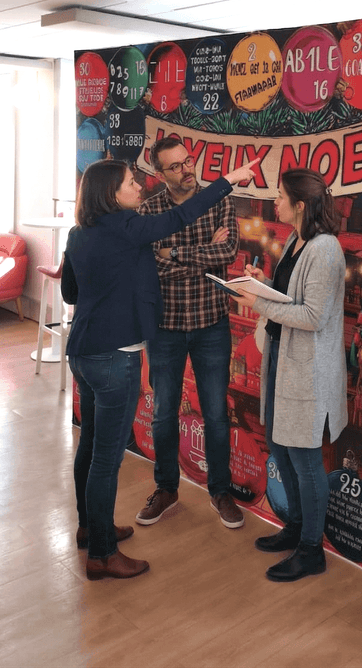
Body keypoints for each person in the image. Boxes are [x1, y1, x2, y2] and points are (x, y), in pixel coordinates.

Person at [62, 156, 256, 580]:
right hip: (115, 357)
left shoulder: (79, 233)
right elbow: (184, 214)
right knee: (105, 460)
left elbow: (71, 290)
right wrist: (229, 180)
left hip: (82, 352)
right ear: (111, 194)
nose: (139, 188)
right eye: (132, 182)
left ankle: (88, 528)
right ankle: (102, 552)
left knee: (91, 446)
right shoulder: (128, 228)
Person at [233, 168, 348, 582]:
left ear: (300, 205)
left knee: (303, 459)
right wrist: (264, 285)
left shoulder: (326, 249)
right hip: (283, 358)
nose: (274, 203)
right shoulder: (297, 241)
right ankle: (297, 527)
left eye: (280, 197)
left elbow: (315, 316)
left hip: (307, 369)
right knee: (282, 450)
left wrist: (259, 303)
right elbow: (292, 298)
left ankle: (311, 549)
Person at [135, 137, 245, 530]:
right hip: (165, 327)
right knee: (164, 412)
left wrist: (176, 253)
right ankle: (166, 488)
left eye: (188, 161)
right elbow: (152, 267)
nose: (187, 169)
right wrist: (198, 255)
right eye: (176, 166)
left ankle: (220, 491)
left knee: (216, 413)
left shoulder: (219, 199)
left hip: (211, 324)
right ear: (160, 174)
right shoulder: (148, 211)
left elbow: (228, 251)